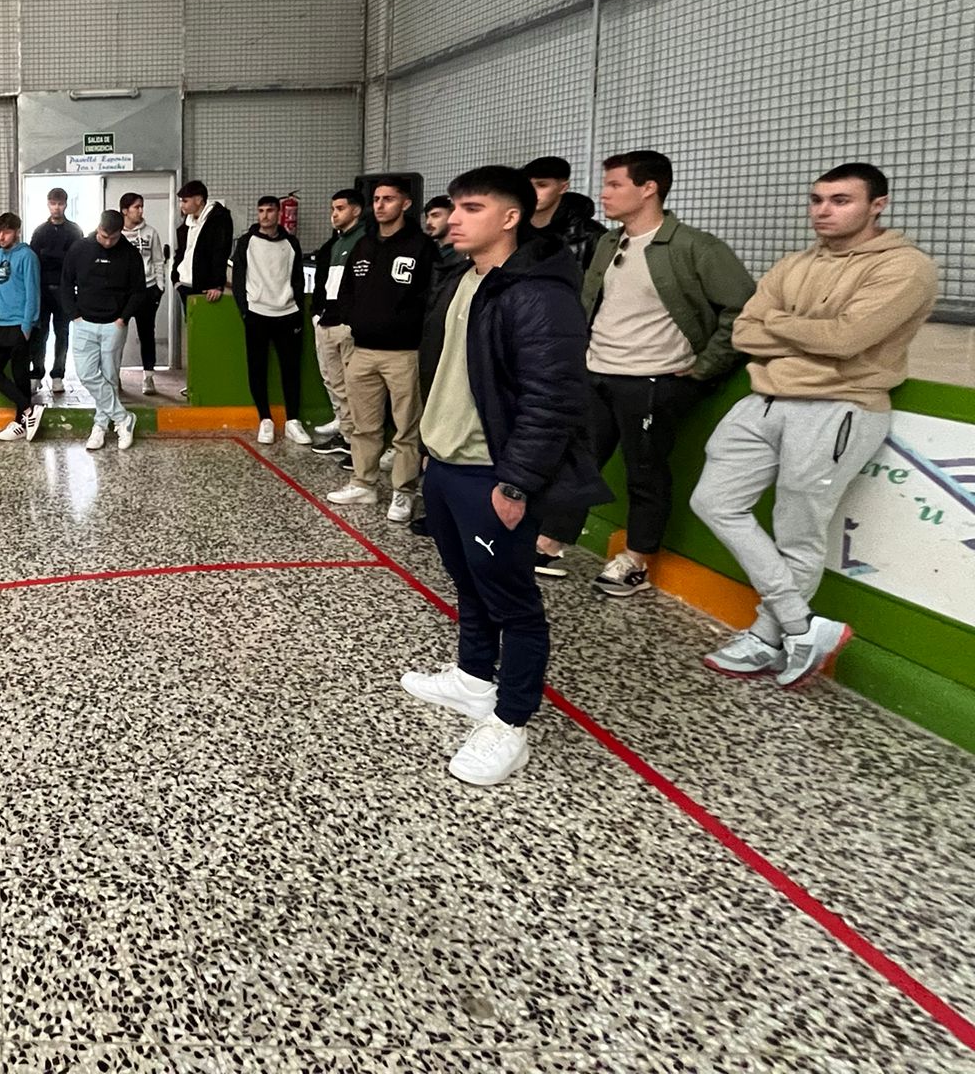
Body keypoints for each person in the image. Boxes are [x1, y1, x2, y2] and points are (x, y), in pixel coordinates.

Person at [690, 163, 938, 686]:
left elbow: (846, 341)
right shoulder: (795, 262)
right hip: (764, 402)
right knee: (713, 501)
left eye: (841, 200)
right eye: (817, 199)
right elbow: (744, 334)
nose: (823, 210)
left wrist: (779, 325)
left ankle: (767, 638)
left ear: (877, 205)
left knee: (798, 531)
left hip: (839, 406)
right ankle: (802, 625)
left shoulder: (906, 267)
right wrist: (807, 334)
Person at [402, 165, 611, 787]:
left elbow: (553, 397)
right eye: (453, 207)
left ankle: (511, 722)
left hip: (492, 471)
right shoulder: (463, 278)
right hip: (447, 463)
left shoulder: (538, 293)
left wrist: (516, 481)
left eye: (471, 208)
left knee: (512, 600)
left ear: (511, 217)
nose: (453, 219)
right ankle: (473, 677)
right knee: (468, 581)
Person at [532, 151, 758, 598]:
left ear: (648, 188)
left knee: (645, 472)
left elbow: (744, 310)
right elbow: (590, 306)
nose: (604, 193)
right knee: (577, 462)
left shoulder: (694, 247)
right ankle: (549, 542)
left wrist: (705, 366)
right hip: (596, 372)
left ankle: (635, 560)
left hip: (652, 381)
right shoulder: (608, 243)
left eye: (615, 184)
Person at [331, 176, 441, 525]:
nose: (380, 205)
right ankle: (363, 483)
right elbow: (347, 289)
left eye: (388, 199)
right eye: (377, 199)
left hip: (404, 353)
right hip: (362, 349)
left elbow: (431, 297)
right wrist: (353, 318)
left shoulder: (422, 247)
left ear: (405, 204)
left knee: (406, 429)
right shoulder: (364, 245)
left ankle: (403, 492)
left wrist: (410, 329)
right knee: (364, 425)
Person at [62, 209, 147, 451]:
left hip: (114, 324)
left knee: (110, 377)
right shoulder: (80, 248)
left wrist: (123, 319)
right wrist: (74, 316)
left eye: (113, 238)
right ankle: (123, 418)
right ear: (98, 228)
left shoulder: (130, 254)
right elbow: (66, 283)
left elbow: (138, 290)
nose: (107, 242)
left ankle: (100, 426)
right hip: (83, 323)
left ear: (121, 232)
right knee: (86, 373)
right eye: (103, 236)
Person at [230, 195, 307, 446]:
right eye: (261, 210)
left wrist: (297, 309)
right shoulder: (246, 242)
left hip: (288, 314)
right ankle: (265, 419)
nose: (265, 215)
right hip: (257, 314)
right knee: (257, 368)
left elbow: (298, 278)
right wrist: (245, 310)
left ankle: (293, 421)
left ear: (279, 213)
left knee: (291, 369)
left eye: (270, 210)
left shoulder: (291, 243)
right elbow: (238, 278)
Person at [309, 188, 366, 457]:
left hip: (348, 325)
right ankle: (346, 434)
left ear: (356, 210)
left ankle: (358, 443)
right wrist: (317, 313)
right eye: (333, 209)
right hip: (326, 321)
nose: (334, 214)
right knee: (334, 383)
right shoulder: (335, 243)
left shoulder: (365, 241)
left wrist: (353, 318)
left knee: (354, 387)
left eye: (340, 209)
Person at [0, 212, 45, 442]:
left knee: (20, 376)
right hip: (2, 323)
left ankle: (21, 422)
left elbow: (33, 293)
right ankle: (29, 411)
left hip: (21, 323)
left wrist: (27, 327)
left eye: (6, 232)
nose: (1, 236)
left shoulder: (27, 256)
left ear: (16, 232)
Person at [28, 188, 84, 392]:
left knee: (62, 334)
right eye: (53, 203)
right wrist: (59, 257)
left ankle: (58, 374)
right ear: (48, 204)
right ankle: (36, 373)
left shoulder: (74, 231)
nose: (56, 207)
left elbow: (76, 261)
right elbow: (34, 261)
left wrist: (50, 256)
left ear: (66, 204)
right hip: (42, 291)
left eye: (60, 204)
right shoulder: (40, 231)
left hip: (65, 291)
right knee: (39, 334)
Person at [118, 192, 166, 395]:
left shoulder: (150, 233)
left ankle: (148, 377)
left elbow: (158, 260)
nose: (140, 210)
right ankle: (115, 376)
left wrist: (160, 287)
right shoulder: (116, 234)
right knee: (117, 335)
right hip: (123, 293)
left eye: (141, 207)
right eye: (136, 207)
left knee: (147, 334)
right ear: (125, 210)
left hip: (148, 289)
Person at [523, 156, 606, 270]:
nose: (531, 192)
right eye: (527, 185)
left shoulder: (591, 235)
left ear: (563, 188)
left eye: (542, 185)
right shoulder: (512, 229)